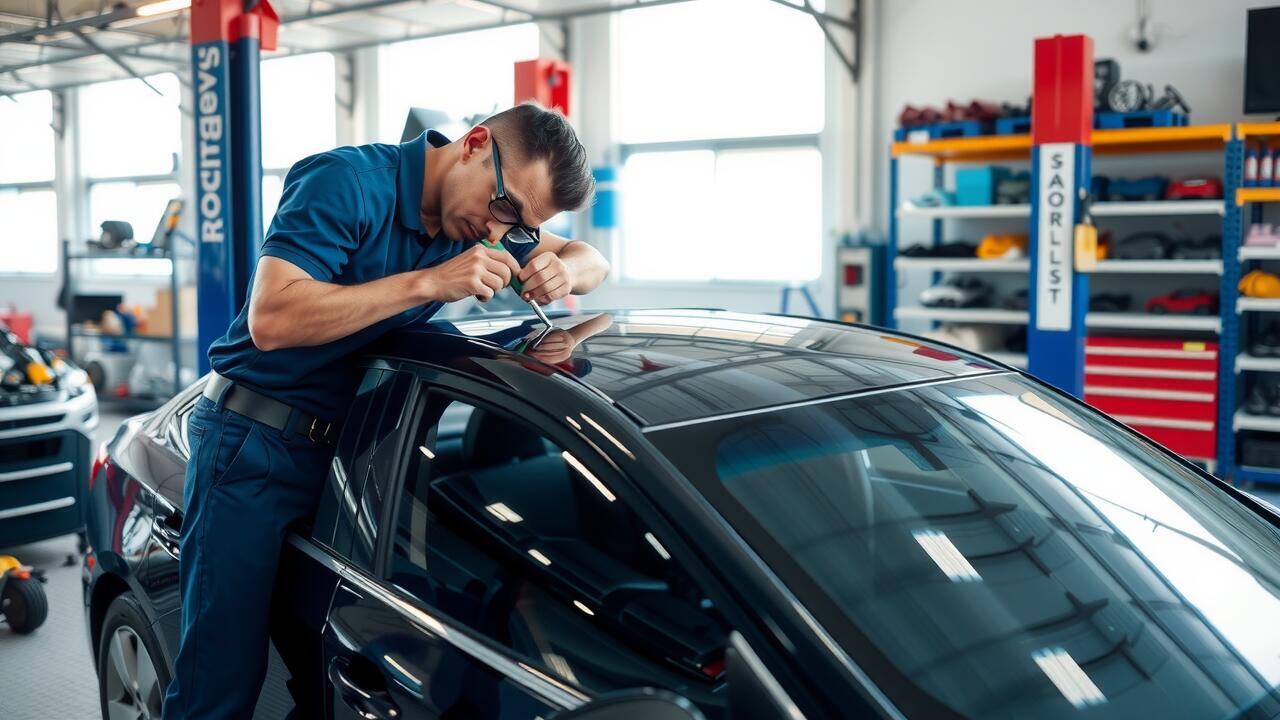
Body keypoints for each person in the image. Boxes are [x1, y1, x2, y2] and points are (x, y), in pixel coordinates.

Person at [161, 101, 607, 719]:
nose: (498, 234)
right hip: (253, 446)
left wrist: (565, 268)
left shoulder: (484, 218)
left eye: (522, 227)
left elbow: (593, 260)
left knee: (334, 661)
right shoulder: (344, 183)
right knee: (223, 675)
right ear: (475, 143)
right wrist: (431, 282)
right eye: (503, 210)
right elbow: (272, 318)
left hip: (352, 456)